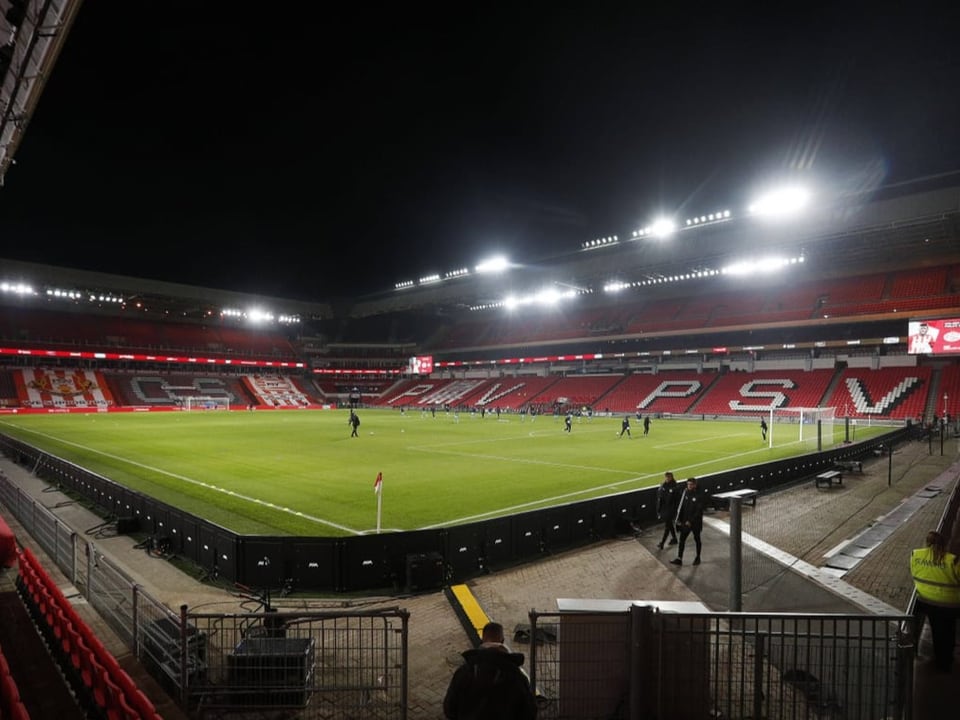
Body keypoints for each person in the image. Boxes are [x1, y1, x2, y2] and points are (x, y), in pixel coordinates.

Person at [443, 621, 538, 719]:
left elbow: (449, 709)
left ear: (482, 640)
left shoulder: (464, 672)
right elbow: (529, 712)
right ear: (502, 641)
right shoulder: (516, 676)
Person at [910, 530, 960, 672]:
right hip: (950, 604)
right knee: (948, 632)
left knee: (936, 630)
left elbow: (914, 573)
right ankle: (945, 661)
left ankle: (939, 659)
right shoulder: (953, 560)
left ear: (927, 542)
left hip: (926, 601)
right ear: (944, 544)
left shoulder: (916, 555)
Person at [671, 477, 706, 566]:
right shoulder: (685, 493)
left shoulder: (699, 496)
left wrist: (691, 521)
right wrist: (679, 519)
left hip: (695, 524)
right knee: (682, 540)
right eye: (688, 484)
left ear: (695, 485)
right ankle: (679, 558)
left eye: (691, 484)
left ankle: (698, 557)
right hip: (685, 522)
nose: (689, 486)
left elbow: (699, 511)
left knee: (697, 539)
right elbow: (682, 507)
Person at [655, 471, 680, 549]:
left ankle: (662, 543)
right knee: (669, 525)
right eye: (666, 477)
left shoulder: (674, 487)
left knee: (667, 526)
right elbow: (660, 497)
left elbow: (676, 499)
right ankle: (674, 538)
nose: (667, 479)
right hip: (664, 508)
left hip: (670, 509)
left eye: (668, 477)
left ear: (671, 477)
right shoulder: (663, 485)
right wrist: (659, 509)